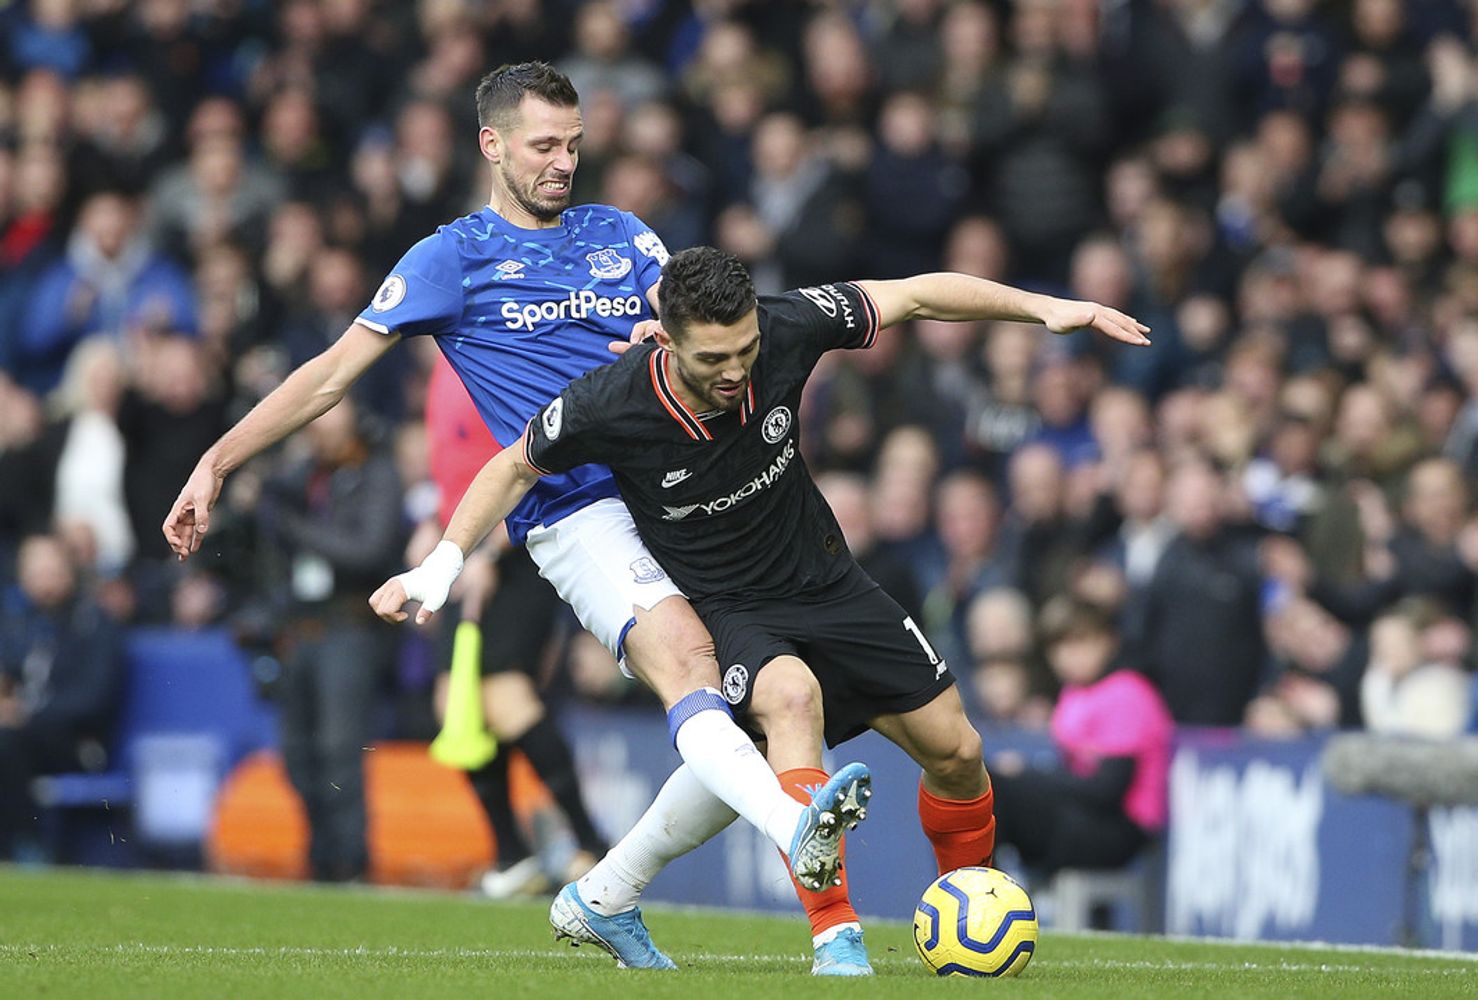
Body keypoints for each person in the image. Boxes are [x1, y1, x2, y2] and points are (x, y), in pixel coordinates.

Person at [161, 61, 868, 963]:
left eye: (573, 144)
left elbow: (695, 324)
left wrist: (666, 335)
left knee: (768, 703)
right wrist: (216, 462)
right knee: (686, 663)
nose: (563, 162)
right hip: (574, 509)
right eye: (543, 146)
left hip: (681, 494)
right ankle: (797, 830)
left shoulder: (622, 234)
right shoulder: (449, 259)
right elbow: (330, 376)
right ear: (492, 145)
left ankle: (607, 893)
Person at [374, 246, 1151, 973]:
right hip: (729, 609)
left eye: (743, 350)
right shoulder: (612, 401)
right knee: (791, 699)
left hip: (830, 582)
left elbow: (914, 297)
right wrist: (441, 564)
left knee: (958, 752)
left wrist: (1043, 308)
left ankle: (966, 909)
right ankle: (835, 935)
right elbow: (511, 467)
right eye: (712, 358)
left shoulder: (784, 327)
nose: (735, 370)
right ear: (665, 340)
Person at [417, 354, 607, 896]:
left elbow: (530, 459)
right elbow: (454, 466)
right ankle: (513, 854)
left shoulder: (498, 358)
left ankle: (593, 844)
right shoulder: (441, 368)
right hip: (461, 550)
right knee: (455, 704)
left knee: (504, 697)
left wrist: (488, 549)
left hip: (516, 549)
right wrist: (434, 527)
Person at [257, 397, 405, 882]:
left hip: (349, 627)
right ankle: (320, 857)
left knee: (341, 750)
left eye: (328, 425)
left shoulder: (376, 475)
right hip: (300, 629)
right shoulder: (304, 476)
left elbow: (368, 551)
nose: (318, 435)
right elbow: (264, 526)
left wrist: (298, 529)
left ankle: (352, 862)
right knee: (297, 752)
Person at [990, 596, 1173, 883]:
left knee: (996, 788)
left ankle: (986, 890)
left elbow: (1107, 788)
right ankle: (986, 884)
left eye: (1081, 643)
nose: (1070, 656)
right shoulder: (1075, 693)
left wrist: (1027, 774)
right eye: (1060, 646)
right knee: (986, 791)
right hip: (1085, 817)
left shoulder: (1127, 692)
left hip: (1122, 828)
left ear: (1108, 641)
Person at [0, 534, 124, 859]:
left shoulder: (94, 622)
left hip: (78, 744)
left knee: (7, 741)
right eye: (35, 571)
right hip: (23, 738)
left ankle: (27, 848)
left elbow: (93, 699)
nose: (44, 580)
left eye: (51, 570)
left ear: (69, 570)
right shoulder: (17, 624)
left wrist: (27, 714)